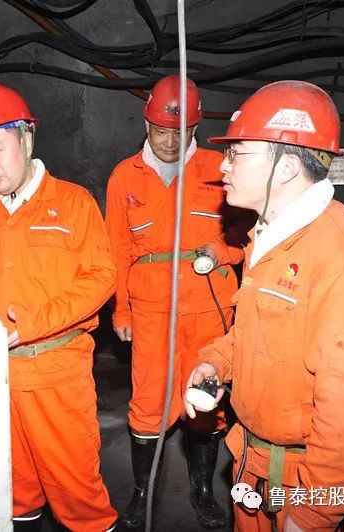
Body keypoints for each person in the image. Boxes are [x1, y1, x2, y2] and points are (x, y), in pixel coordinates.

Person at [186, 80, 344, 532]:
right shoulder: (269, 237)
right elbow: (256, 332)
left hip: (309, 487)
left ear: (285, 166)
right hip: (255, 467)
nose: (223, 166)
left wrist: (312, 515)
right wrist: (216, 362)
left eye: (236, 153)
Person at [0, 82, 118, 532]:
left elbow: (100, 278)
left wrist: (33, 323)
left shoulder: (73, 204)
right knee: (12, 496)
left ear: (26, 139)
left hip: (57, 378)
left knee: (79, 499)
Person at [105, 74, 251, 529]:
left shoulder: (219, 168)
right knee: (148, 406)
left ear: (196, 127)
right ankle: (142, 494)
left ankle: (203, 492)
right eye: (161, 131)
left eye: (181, 131)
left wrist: (222, 252)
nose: (170, 141)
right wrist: (121, 309)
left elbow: (249, 235)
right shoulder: (125, 176)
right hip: (151, 313)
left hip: (209, 311)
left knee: (206, 403)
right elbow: (117, 250)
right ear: (146, 124)